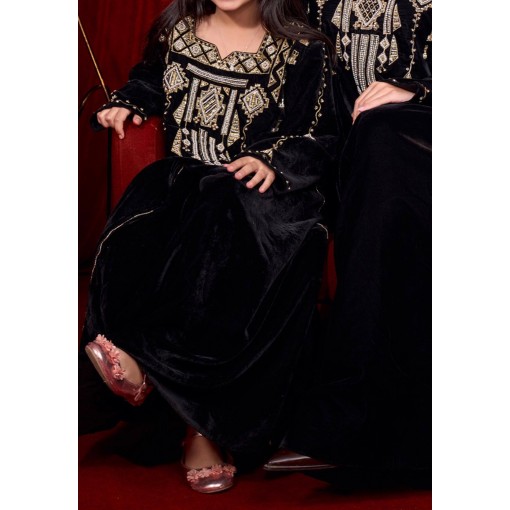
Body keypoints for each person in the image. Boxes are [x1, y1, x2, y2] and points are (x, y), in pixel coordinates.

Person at [79, 0, 340, 495]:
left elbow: (317, 133)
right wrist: (130, 101)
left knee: (223, 230)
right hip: (183, 182)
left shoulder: (304, 48)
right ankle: (162, 389)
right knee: (139, 232)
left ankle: (188, 414)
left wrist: (272, 161)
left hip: (261, 196)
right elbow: (150, 78)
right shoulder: (175, 30)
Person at [264, 0, 432, 488]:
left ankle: (358, 426)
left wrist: (419, 88)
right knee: (376, 151)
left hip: (424, 145)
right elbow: (236, 30)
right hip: (336, 157)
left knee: (384, 137)